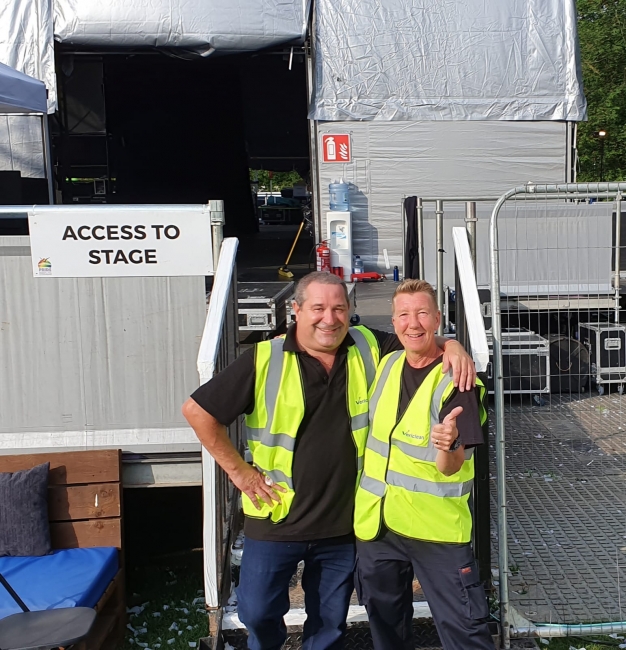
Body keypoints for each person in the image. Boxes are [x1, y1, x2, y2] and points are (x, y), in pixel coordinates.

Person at [182, 271, 476, 650]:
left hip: (341, 524)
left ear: (350, 311)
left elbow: (418, 340)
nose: (329, 318)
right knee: (255, 612)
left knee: (328, 626)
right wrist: (241, 474)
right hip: (276, 518)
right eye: (318, 308)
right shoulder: (265, 359)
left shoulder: (367, 346)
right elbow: (197, 411)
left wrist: (453, 346)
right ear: (296, 310)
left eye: (339, 308)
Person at [353, 279, 493, 650]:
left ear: (437, 319)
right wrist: (453, 343)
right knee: (385, 628)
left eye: (422, 314)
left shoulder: (457, 379)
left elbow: (453, 466)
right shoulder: (388, 361)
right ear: (393, 320)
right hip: (379, 526)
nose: (412, 323)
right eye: (403, 314)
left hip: (436, 532)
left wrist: (446, 445)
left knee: (464, 632)